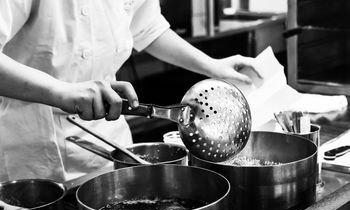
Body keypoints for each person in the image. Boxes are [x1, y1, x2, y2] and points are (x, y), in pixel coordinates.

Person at [0, 0, 261, 182]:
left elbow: (146, 27)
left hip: (110, 140)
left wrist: (212, 66)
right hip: (32, 153)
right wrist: (60, 91)